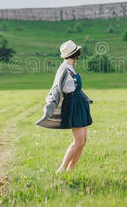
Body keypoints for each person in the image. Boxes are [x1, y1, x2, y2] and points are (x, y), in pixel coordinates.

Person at [35, 40, 93, 172]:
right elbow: (56, 89)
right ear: (75, 54)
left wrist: (85, 99)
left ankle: (71, 169)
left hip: (79, 104)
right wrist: (49, 105)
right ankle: (61, 169)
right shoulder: (63, 69)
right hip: (72, 104)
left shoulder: (70, 66)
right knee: (78, 141)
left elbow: (76, 88)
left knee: (83, 141)